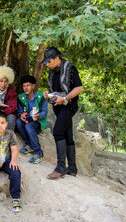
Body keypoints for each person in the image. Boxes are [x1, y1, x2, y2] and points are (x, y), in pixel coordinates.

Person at [42, 47, 83, 179]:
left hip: (69, 105)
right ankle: (72, 168)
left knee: (58, 132)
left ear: (57, 58)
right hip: (58, 107)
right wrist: (49, 94)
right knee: (68, 135)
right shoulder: (53, 72)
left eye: (49, 61)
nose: (47, 65)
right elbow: (55, 89)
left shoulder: (70, 68)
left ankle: (60, 168)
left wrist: (64, 99)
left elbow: (79, 88)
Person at [16, 75, 48, 164]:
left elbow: (44, 112)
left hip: (37, 121)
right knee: (18, 122)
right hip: (27, 120)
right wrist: (21, 115)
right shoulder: (21, 97)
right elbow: (19, 111)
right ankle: (29, 144)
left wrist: (38, 116)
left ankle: (38, 152)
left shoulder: (41, 96)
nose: (26, 88)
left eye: (28, 85)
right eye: (24, 86)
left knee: (29, 126)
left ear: (33, 86)